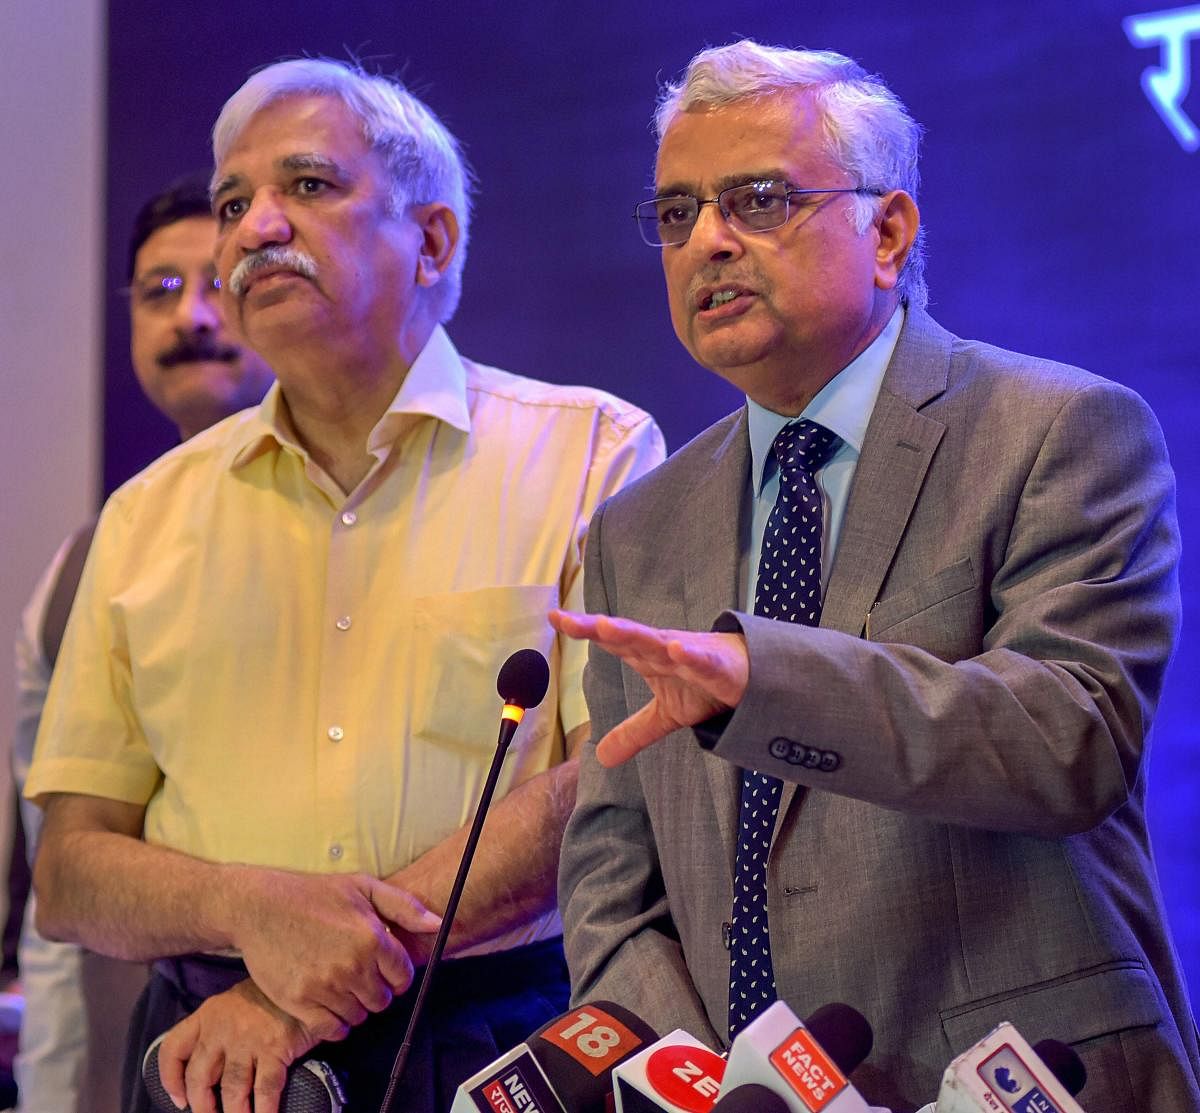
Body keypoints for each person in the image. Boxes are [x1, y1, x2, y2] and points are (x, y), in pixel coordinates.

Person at [552, 40, 1200, 1113]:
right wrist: (700, 1083)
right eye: (676, 214)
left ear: (887, 231)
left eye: (757, 201)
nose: (706, 241)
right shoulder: (636, 531)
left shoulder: (1058, 432)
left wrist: (763, 680)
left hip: (1021, 1076)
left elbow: (1067, 738)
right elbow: (612, 881)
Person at [25, 59, 664, 1113]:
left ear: (434, 241)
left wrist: (304, 984)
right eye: (234, 203)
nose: (255, 228)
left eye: (309, 187)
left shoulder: (593, 454)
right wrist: (249, 912)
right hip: (205, 1061)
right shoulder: (145, 517)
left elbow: (617, 780)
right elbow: (72, 875)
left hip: (491, 1038)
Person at [10, 174, 275, 1113]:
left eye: (217, 281)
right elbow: (58, 904)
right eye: (159, 292)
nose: (191, 316)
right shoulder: (90, 560)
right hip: (140, 1065)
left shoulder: (389, 519)